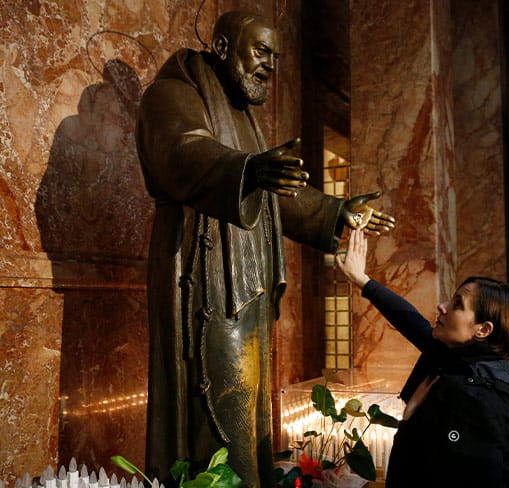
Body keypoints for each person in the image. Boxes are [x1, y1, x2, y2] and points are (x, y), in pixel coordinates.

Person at [135, 11, 396, 487]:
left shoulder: (240, 114)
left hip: (247, 280)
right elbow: (181, 152)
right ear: (220, 46)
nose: (270, 66)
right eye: (260, 51)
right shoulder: (172, 93)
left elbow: (278, 196)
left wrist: (337, 212)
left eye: (276, 57)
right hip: (204, 274)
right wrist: (248, 170)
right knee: (218, 401)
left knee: (249, 404)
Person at [335, 229, 509, 487]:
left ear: (483, 329)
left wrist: (409, 420)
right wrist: (362, 280)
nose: (442, 306)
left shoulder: (470, 393)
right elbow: (411, 321)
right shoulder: (483, 361)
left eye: (457, 304)